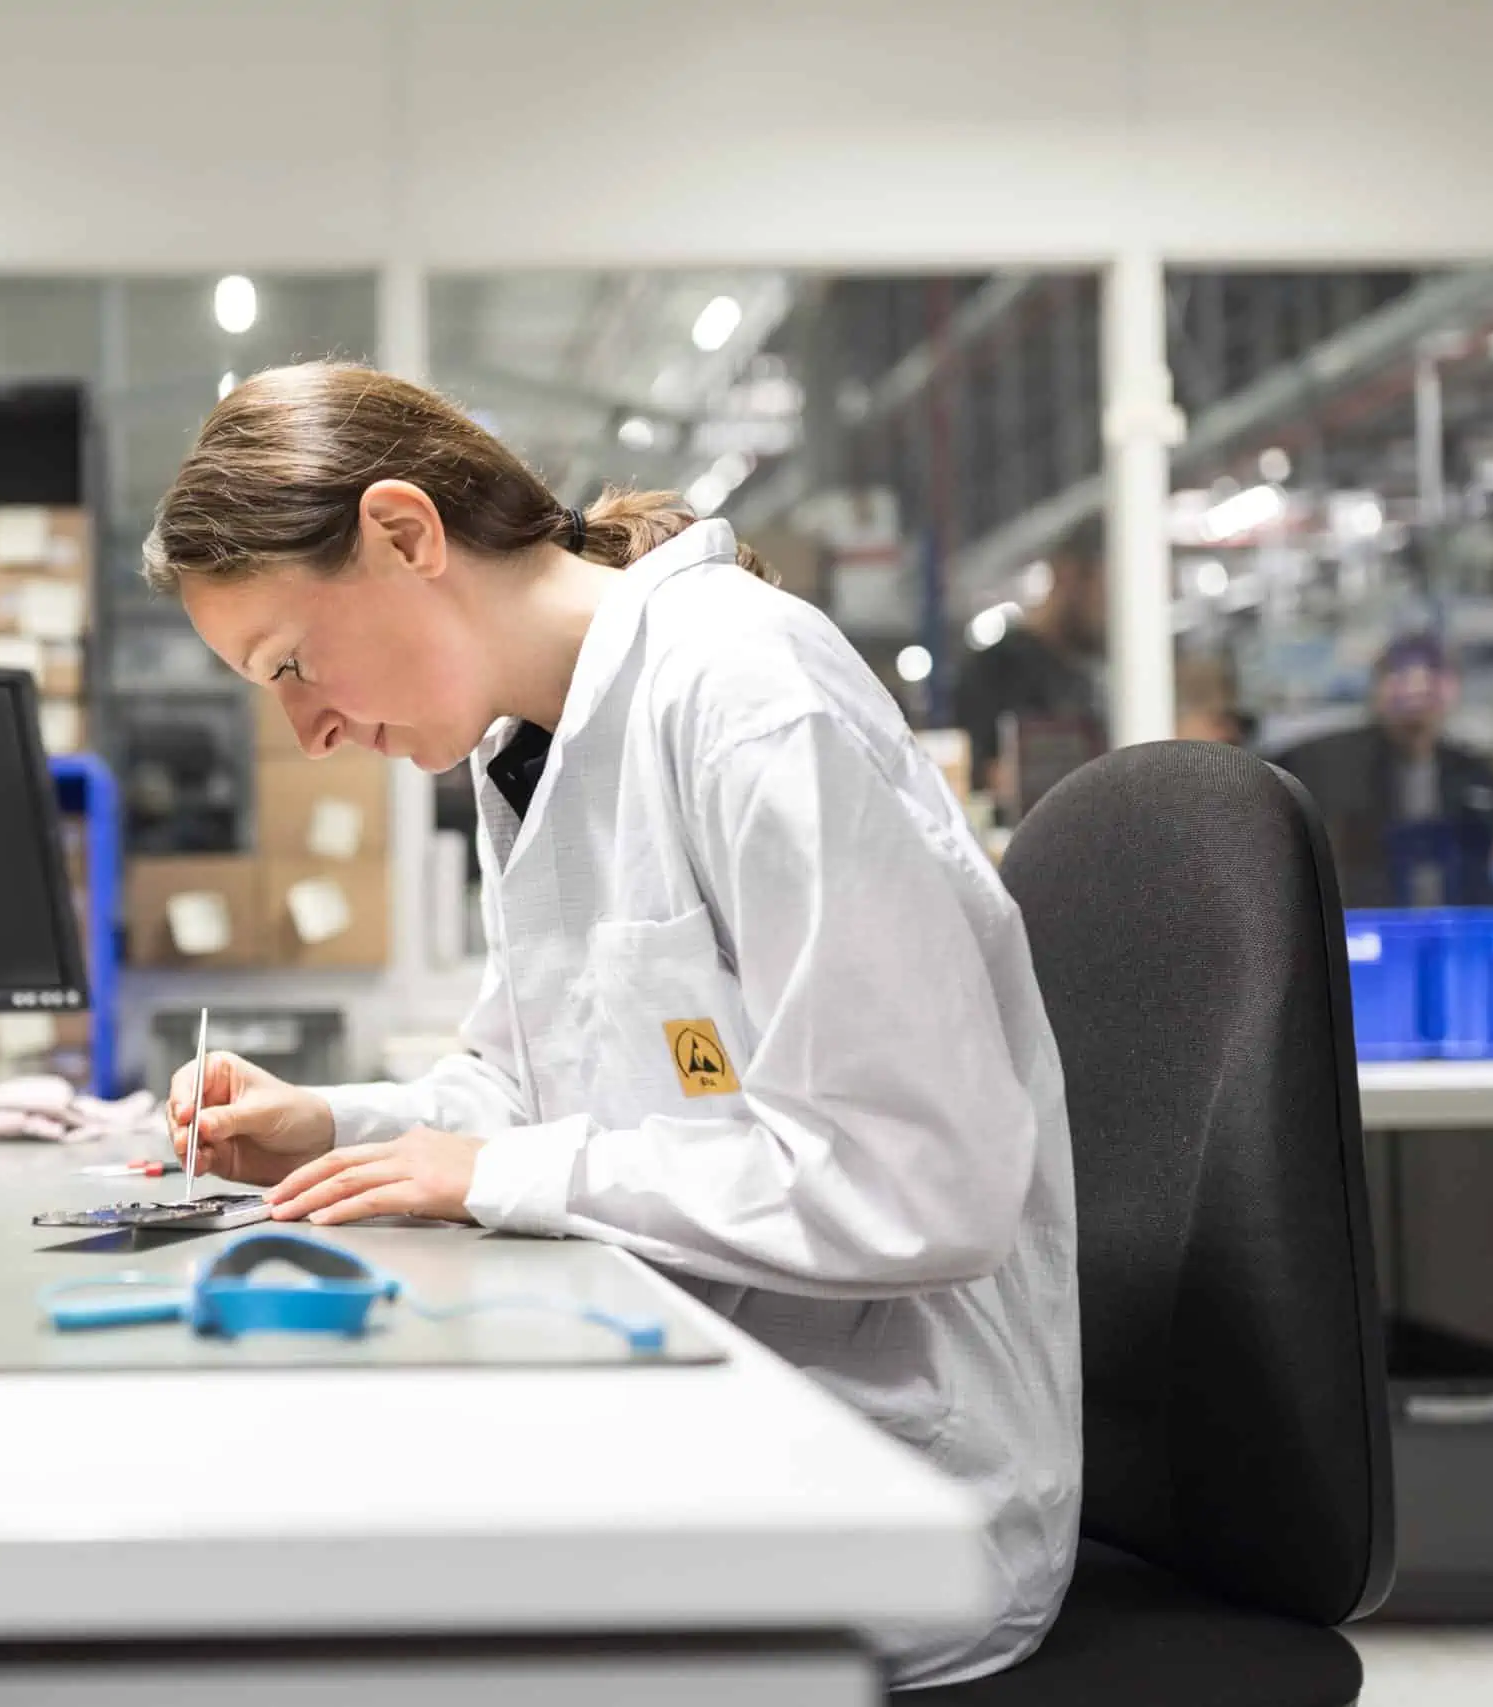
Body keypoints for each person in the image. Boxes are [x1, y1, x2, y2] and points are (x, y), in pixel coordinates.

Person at [146, 362, 1080, 1689]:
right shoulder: (530, 742)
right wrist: (338, 1123)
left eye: (292, 661)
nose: (309, 727)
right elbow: (534, 1090)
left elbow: (918, 1179)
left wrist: (499, 1173)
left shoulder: (748, 694)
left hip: (891, 1467)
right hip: (729, 1385)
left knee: (314, 1602)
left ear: (406, 534)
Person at [1274, 634, 1493, 907]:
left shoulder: (1477, 775)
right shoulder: (1323, 762)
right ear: (1377, 687)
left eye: (1432, 673)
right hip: (1362, 926)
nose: (1417, 685)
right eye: (1400, 673)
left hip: (1455, 929)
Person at [951, 532, 1105, 810]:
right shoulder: (996, 668)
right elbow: (974, 773)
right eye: (1103, 595)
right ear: (1067, 577)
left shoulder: (1081, 680)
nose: (1106, 612)